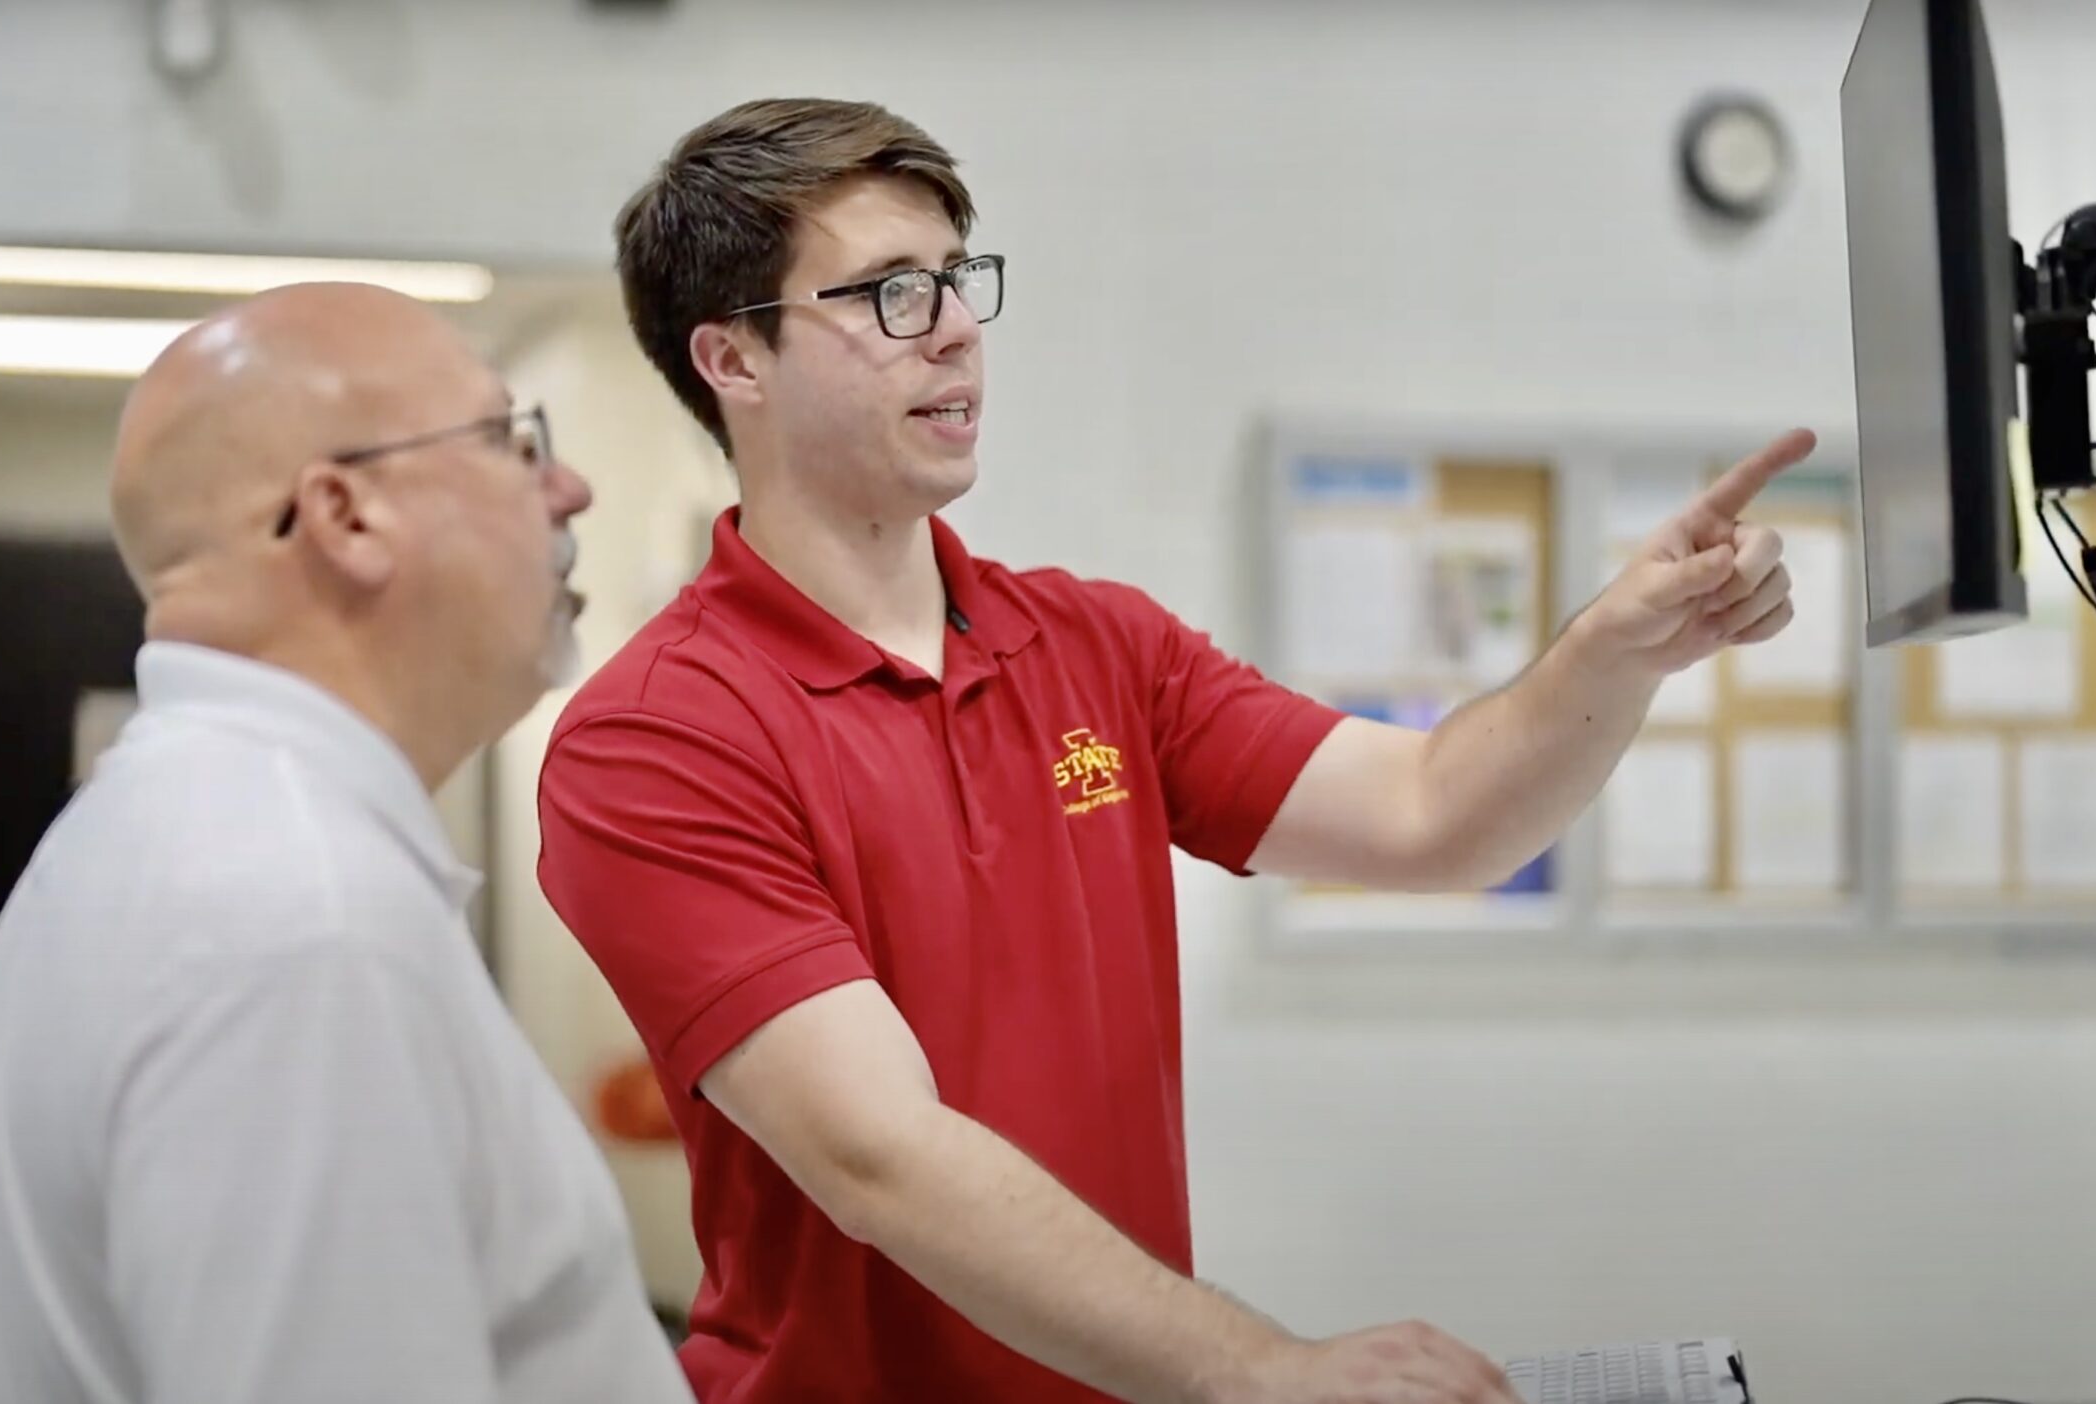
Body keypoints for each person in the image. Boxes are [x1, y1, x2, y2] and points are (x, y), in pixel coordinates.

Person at [536, 98, 1806, 1404]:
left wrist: (1620, 651)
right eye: (890, 293)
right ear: (733, 360)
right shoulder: (657, 740)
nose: (958, 327)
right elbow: (879, 1154)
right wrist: (1259, 1370)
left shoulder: (1097, 645)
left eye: (960, 279)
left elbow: (1434, 812)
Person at [0, 282, 691, 1404]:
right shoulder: (300, 922)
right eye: (512, 442)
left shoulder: (176, 839)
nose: (571, 488)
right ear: (345, 516)